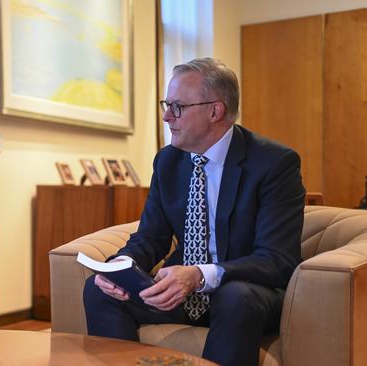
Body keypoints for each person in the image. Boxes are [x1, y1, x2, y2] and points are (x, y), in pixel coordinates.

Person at [83, 58, 305, 366]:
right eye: (166, 104)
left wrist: (200, 275)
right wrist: (120, 267)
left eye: (177, 107)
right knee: (99, 291)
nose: (165, 116)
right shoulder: (168, 161)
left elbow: (276, 260)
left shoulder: (273, 163)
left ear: (215, 111)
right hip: (181, 292)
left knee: (235, 297)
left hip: (246, 292)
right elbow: (152, 237)